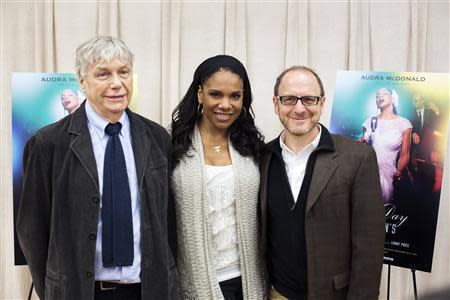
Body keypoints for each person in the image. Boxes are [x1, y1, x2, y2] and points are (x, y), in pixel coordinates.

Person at [16, 36, 178, 300]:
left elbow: (169, 219)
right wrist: (54, 291)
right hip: (82, 292)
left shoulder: (157, 137)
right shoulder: (49, 143)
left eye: (123, 72)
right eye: (103, 74)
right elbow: (32, 229)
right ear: (82, 81)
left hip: (149, 290)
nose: (116, 83)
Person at [259, 66, 385, 300]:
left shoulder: (358, 158)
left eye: (308, 99)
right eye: (289, 99)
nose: (299, 108)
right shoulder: (263, 157)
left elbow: (369, 250)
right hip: (276, 294)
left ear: (322, 102)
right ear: (276, 104)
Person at [171, 55, 266, 299]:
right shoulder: (172, 146)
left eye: (235, 96)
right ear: (200, 94)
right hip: (194, 280)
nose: (226, 105)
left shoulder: (253, 147)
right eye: (216, 94)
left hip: (247, 280)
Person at [361, 88, 412, 203]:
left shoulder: (404, 123)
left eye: (384, 93)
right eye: (377, 95)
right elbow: (361, 150)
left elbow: (405, 155)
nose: (380, 96)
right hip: (368, 173)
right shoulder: (369, 122)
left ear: (393, 98)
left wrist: (398, 172)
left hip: (390, 174)